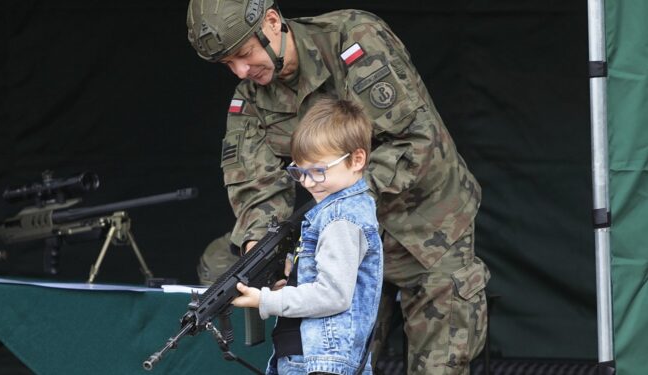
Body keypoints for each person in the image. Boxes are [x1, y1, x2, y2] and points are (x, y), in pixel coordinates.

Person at [186, 1, 490, 373]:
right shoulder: (250, 100)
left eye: (245, 54)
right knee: (336, 363)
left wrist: (343, 198)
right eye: (227, 64)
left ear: (271, 21)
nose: (241, 70)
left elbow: (416, 141)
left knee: (440, 365)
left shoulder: (353, 40)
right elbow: (254, 184)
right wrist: (260, 248)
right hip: (344, 251)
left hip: (427, 228)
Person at [232, 98, 382, 375]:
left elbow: (332, 295)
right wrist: (289, 285)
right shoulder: (333, 213)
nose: (308, 182)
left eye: (318, 171)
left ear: (357, 159)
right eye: (300, 172)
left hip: (320, 363)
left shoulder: (340, 219)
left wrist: (265, 300)